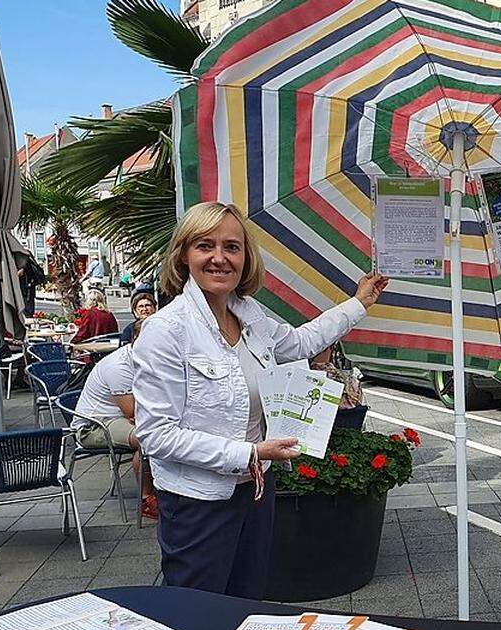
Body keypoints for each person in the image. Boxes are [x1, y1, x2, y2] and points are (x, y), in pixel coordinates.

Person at [132, 201, 387, 599]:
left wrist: (359, 303)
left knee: (248, 603)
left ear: (246, 257)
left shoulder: (251, 317)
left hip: (255, 491)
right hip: (198, 502)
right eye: (205, 246)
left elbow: (302, 342)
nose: (220, 258)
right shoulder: (166, 331)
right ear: (184, 254)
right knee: (198, 611)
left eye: (232, 247)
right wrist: (250, 452)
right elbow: (157, 436)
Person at [72, 318, 157, 519]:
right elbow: (132, 411)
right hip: (93, 425)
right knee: (148, 438)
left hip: (120, 417)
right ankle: (147, 499)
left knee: (164, 431)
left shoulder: (153, 359)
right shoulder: (119, 366)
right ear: (135, 339)